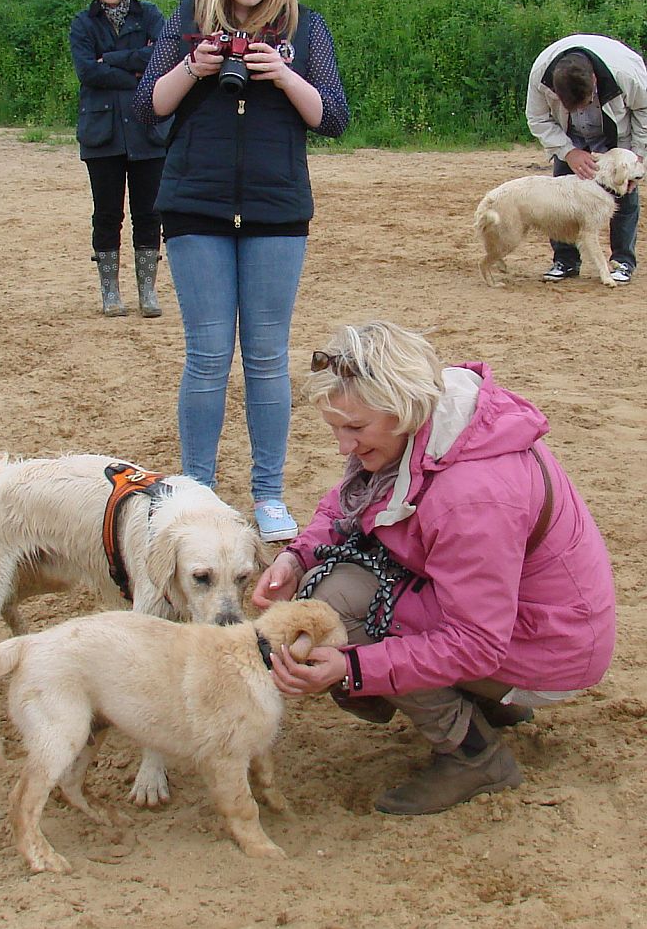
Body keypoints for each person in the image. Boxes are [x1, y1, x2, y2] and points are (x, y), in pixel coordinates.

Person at [253, 320, 616, 815]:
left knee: (342, 609)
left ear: (402, 409)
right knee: (335, 582)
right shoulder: (435, 423)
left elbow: (477, 642)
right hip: (529, 620)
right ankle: (492, 705)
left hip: (549, 649)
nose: (343, 446)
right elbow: (346, 504)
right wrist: (297, 556)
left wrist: (353, 668)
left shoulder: (472, 496)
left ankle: (474, 756)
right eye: (336, 428)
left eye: (355, 429)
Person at [133, 0, 349, 541]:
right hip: (194, 203)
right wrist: (192, 66)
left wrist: (283, 74)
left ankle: (268, 494)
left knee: (265, 356)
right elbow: (149, 105)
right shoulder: (187, 21)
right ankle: (196, 489)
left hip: (276, 209)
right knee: (205, 356)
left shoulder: (307, 29)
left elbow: (332, 115)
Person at [70, 0, 168, 317]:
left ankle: (148, 291)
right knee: (107, 213)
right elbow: (87, 72)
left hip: (147, 129)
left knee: (149, 213)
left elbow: (160, 58)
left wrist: (110, 59)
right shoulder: (83, 23)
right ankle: (110, 292)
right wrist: (135, 72)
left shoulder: (151, 15)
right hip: (103, 131)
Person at [526, 33, 647, 285]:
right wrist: (568, 152)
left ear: (593, 80)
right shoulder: (540, 76)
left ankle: (622, 261)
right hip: (570, 137)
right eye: (573, 106)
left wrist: (637, 156)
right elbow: (537, 118)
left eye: (586, 102)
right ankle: (566, 261)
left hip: (617, 135)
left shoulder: (626, 73)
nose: (581, 109)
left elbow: (644, 112)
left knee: (625, 195)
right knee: (561, 196)